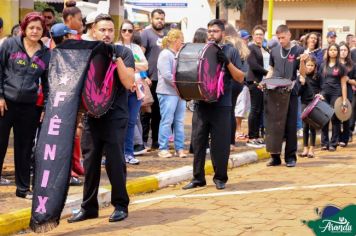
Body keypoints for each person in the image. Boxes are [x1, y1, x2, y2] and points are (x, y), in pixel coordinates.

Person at [68, 14, 135, 223]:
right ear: (94, 31)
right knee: (90, 163)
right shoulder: (87, 52)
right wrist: (78, 117)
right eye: (102, 30)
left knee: (115, 162)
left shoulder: (123, 51)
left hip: (115, 115)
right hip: (91, 115)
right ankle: (89, 207)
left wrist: (116, 59)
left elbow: (128, 82)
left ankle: (121, 205)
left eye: (109, 30)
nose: (106, 34)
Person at [183, 19, 244, 190]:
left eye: (215, 31)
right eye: (209, 31)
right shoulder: (201, 50)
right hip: (202, 103)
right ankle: (198, 178)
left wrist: (227, 62)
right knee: (198, 142)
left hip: (222, 105)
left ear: (222, 34)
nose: (211, 34)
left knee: (220, 144)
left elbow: (240, 77)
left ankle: (220, 178)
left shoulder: (231, 51)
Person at [0, 12, 50, 195]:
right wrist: (0, 96)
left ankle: (22, 188)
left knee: (24, 147)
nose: (35, 31)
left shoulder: (46, 53)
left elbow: (47, 83)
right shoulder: (10, 45)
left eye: (39, 28)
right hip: (5, 104)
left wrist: (45, 106)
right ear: (24, 28)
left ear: (43, 30)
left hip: (29, 107)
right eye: (31, 27)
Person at [265, 24, 305, 167]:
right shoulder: (274, 51)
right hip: (274, 91)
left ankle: (290, 157)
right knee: (274, 124)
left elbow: (302, 72)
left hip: (291, 92)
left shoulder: (299, 50)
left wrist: (303, 61)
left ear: (289, 35)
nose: (281, 40)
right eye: (278, 38)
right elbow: (271, 69)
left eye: (283, 37)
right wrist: (265, 81)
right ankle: (275, 156)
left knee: (290, 125)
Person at [117, 19, 148, 164]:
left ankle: (129, 153)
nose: (127, 33)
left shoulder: (136, 48)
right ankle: (116, 153)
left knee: (131, 122)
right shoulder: (116, 46)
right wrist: (135, 66)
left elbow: (146, 66)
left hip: (136, 88)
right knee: (118, 121)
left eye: (130, 30)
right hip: (121, 88)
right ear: (120, 32)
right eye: (124, 30)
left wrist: (128, 64)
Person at [62, 0, 85, 185]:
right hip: (65, 95)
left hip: (77, 94)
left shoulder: (78, 37)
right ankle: (68, 171)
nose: (81, 22)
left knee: (77, 132)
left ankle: (76, 166)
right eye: (79, 19)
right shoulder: (62, 37)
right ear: (69, 19)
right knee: (67, 134)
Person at [156, 29, 187, 158]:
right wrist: (181, 86)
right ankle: (163, 148)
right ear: (176, 40)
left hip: (178, 93)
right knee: (167, 120)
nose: (182, 42)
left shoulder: (177, 54)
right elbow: (167, 75)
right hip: (167, 92)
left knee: (179, 121)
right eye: (181, 40)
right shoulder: (165, 54)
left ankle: (179, 148)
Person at [140, 9, 166, 150]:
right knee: (146, 111)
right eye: (157, 18)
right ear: (152, 19)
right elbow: (140, 55)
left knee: (158, 113)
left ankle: (156, 141)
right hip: (150, 79)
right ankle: (143, 141)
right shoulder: (146, 34)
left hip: (163, 80)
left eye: (162, 18)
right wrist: (144, 76)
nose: (160, 21)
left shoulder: (167, 35)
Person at [319, 44, 348, 151]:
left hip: (336, 93)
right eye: (331, 50)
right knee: (324, 117)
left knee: (335, 118)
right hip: (324, 93)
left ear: (337, 52)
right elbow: (319, 81)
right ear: (328, 51)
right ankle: (324, 142)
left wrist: (344, 100)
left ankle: (333, 143)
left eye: (335, 50)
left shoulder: (342, 67)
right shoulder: (322, 65)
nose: (333, 51)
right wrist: (319, 93)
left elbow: (344, 84)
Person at [246, 25, 269, 148]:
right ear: (253, 35)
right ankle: (251, 137)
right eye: (257, 34)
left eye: (261, 34)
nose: (259, 36)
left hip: (264, 83)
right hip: (254, 82)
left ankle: (257, 136)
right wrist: (268, 73)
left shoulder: (264, 48)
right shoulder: (250, 48)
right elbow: (254, 66)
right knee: (255, 110)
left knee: (260, 110)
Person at [189, 28, 208, 154]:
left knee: (198, 120)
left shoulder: (192, 50)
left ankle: (194, 145)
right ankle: (197, 145)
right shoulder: (201, 51)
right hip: (200, 87)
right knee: (200, 121)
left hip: (196, 87)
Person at [298, 57, 321, 158]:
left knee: (312, 126)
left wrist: (320, 94)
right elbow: (298, 93)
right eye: (308, 65)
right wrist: (302, 83)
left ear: (315, 66)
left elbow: (322, 87)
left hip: (314, 103)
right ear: (305, 66)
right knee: (305, 126)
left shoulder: (318, 76)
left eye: (312, 65)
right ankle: (305, 148)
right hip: (304, 102)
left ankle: (312, 148)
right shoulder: (302, 76)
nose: (310, 67)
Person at [338, 42, 356, 147]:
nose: (343, 52)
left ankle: (345, 137)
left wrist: (348, 80)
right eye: (341, 50)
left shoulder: (353, 65)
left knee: (346, 115)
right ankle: (336, 137)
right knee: (335, 116)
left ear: (348, 52)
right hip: (335, 91)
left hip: (348, 92)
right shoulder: (333, 64)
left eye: (345, 50)